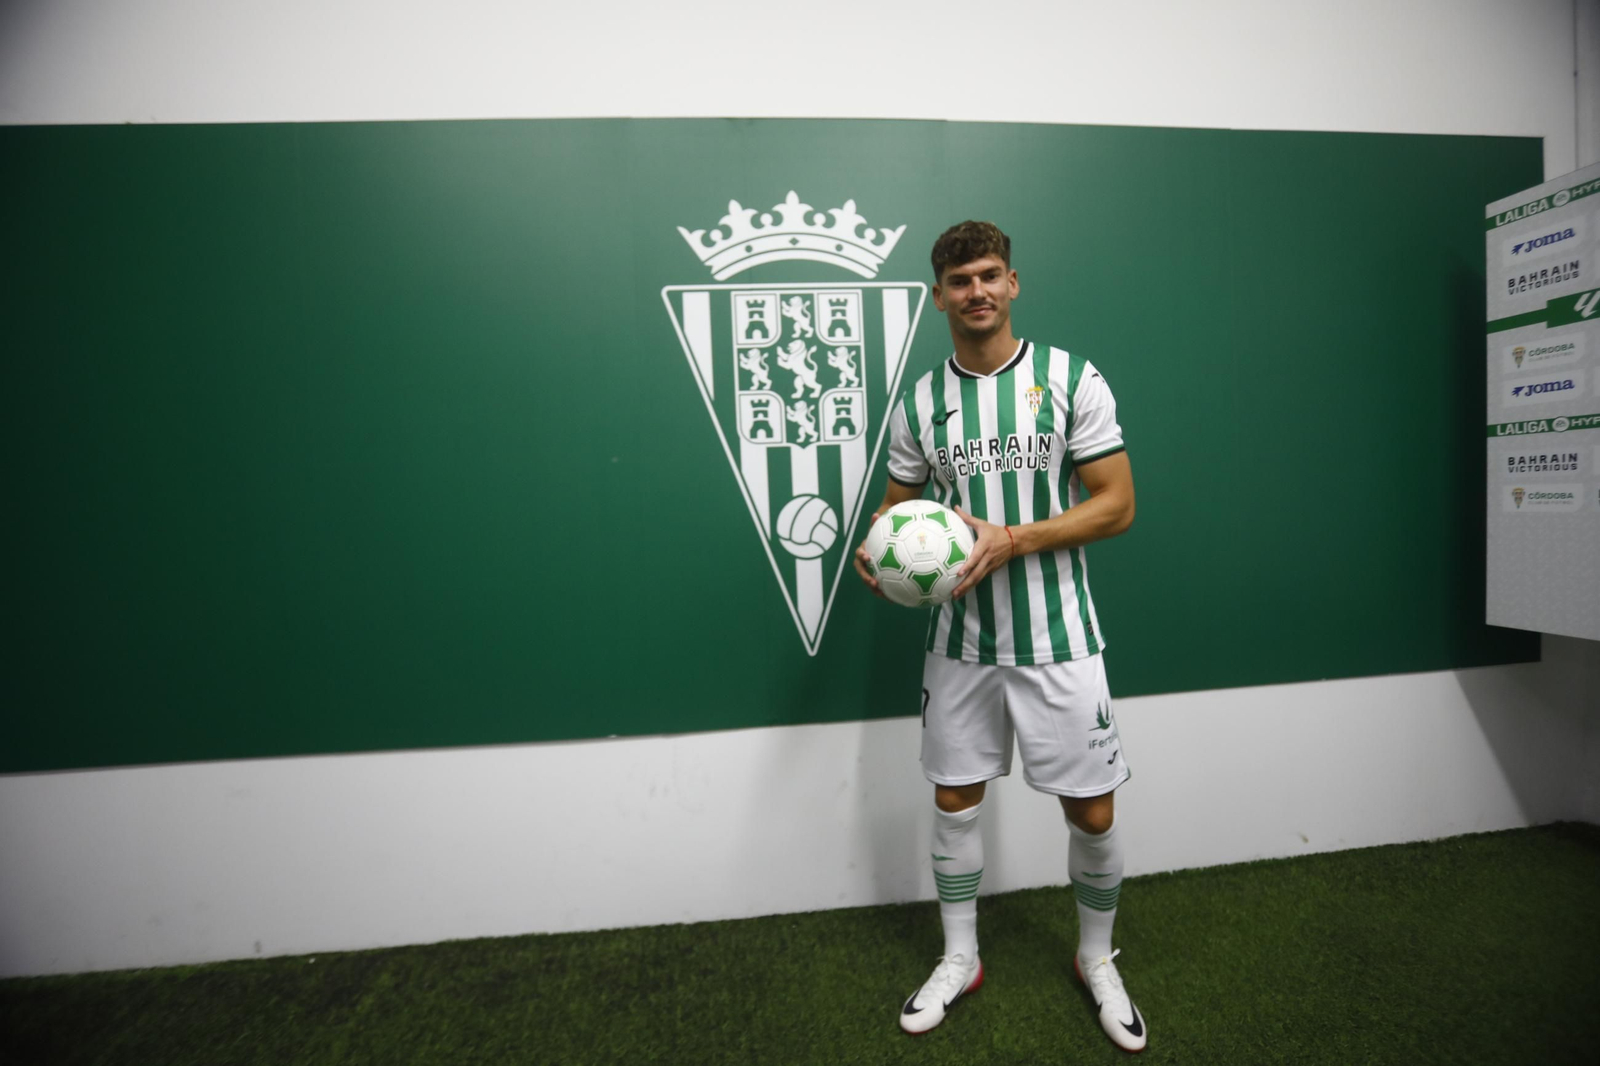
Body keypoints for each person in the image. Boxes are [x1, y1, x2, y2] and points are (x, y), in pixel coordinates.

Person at [853, 220, 1144, 1051]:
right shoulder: (919, 400)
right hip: (962, 646)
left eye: (988, 275)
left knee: (1090, 813)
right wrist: (883, 555)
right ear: (937, 295)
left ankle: (1097, 957)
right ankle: (960, 955)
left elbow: (1116, 504)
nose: (975, 291)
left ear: (1012, 283)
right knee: (954, 800)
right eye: (958, 280)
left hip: (1060, 639)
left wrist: (1012, 538)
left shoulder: (1068, 378)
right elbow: (896, 510)